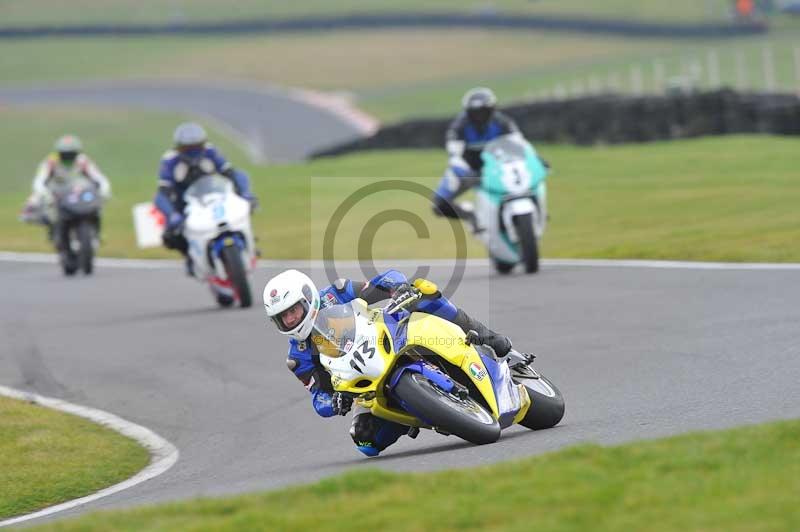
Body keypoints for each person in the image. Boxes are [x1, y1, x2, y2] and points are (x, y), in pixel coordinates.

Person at [263, 269, 530, 457]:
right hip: (365, 384)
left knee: (424, 291)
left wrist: (398, 288)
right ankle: (417, 410)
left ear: (308, 298)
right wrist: (333, 403)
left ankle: (488, 337)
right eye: (283, 317)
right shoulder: (298, 357)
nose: (290, 320)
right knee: (365, 441)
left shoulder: (336, 293)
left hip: (387, 333)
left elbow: (383, 280)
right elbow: (318, 397)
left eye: (294, 310)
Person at [154, 122, 257, 275]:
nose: (193, 152)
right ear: (179, 147)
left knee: (242, 188)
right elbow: (164, 190)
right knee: (171, 234)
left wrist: (244, 193)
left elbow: (230, 173)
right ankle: (190, 256)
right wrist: (173, 215)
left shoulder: (211, 152)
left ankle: (246, 241)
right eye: (188, 148)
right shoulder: (170, 161)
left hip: (212, 193)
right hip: (185, 201)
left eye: (197, 147)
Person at [432, 87, 522, 228]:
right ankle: (471, 215)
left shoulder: (503, 123)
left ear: (492, 109)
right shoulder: (459, 127)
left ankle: (533, 212)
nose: (479, 116)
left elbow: (519, 145)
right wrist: (467, 173)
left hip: (500, 169)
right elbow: (454, 156)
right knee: (439, 205)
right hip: (469, 171)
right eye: (475, 113)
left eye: (483, 112)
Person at [23, 134, 111, 240]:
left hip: (79, 194)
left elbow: (98, 177)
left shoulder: (83, 161)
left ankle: (96, 233)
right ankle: (53, 230)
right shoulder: (51, 162)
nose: (68, 156)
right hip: (58, 194)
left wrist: (104, 189)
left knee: (96, 207)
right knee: (42, 205)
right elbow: (39, 180)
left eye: (71, 153)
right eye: (65, 154)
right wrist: (45, 194)